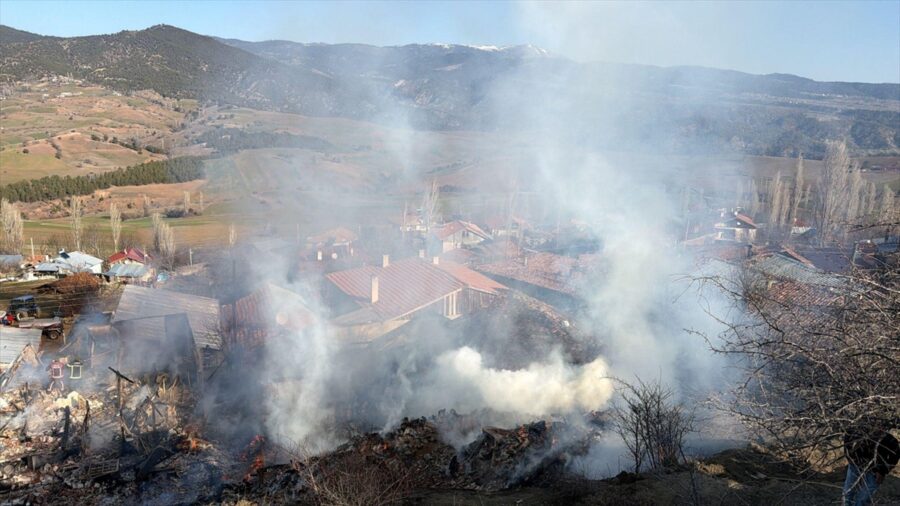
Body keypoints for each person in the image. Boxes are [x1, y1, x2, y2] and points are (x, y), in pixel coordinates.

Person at [843, 425, 899, 506]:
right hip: (856, 464)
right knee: (848, 493)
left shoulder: (890, 440)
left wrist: (882, 471)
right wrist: (852, 459)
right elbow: (847, 441)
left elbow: (895, 456)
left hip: (875, 470)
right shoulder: (856, 432)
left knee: (864, 498)